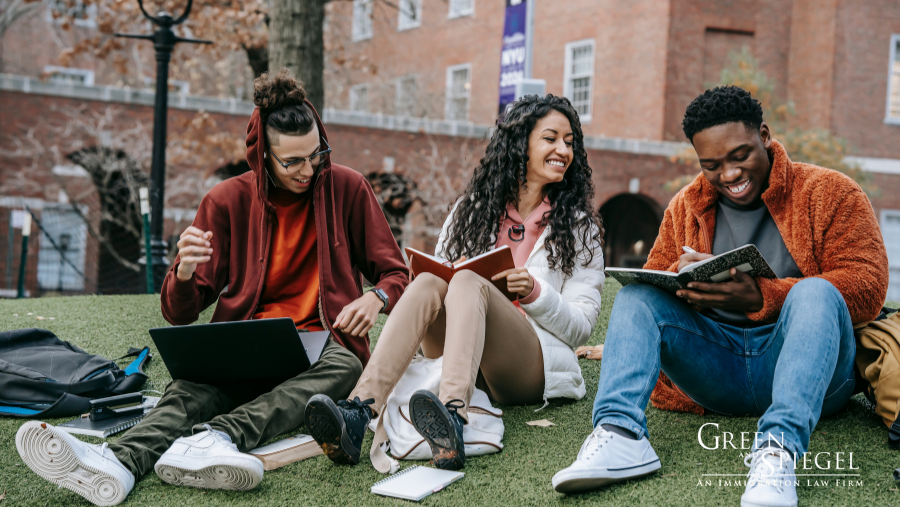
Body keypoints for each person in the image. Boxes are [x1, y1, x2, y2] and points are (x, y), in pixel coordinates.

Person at [14, 69, 409, 506]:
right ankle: (116, 463)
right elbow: (179, 313)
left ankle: (217, 438)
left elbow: (397, 274)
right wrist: (183, 273)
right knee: (190, 389)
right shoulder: (224, 201)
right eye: (292, 161)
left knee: (347, 368)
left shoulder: (348, 189)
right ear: (262, 156)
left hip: (322, 338)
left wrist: (377, 296)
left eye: (316, 154)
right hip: (246, 337)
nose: (309, 169)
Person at [553, 86, 889, 507]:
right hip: (716, 368)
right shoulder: (686, 205)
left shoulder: (831, 193)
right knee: (637, 297)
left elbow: (868, 285)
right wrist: (688, 281)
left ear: (764, 135)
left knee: (816, 292)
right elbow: (655, 279)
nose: (728, 174)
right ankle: (620, 435)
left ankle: (776, 452)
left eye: (739, 156)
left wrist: (761, 297)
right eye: (711, 164)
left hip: (810, 373)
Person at [303, 94, 606, 471]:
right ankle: (358, 411)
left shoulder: (578, 227)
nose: (563, 149)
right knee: (432, 280)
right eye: (551, 138)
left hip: (527, 365)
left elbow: (580, 327)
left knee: (467, 283)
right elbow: (439, 281)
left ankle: (452, 418)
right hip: (458, 353)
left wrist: (534, 292)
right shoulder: (472, 210)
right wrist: (448, 270)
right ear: (520, 144)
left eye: (569, 142)